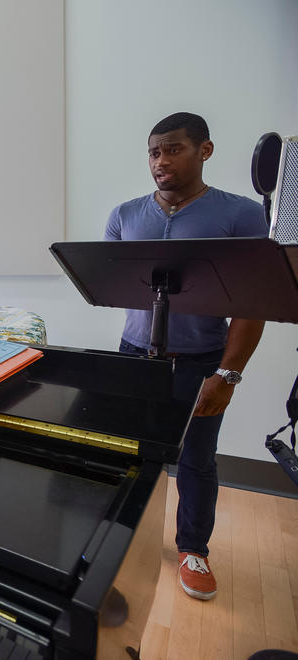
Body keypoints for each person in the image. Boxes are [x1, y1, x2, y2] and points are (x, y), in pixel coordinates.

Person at [104, 112, 267, 601]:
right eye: (154, 152)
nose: (161, 161)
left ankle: (194, 549)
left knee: (197, 459)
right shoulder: (125, 215)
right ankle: (123, 540)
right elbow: (110, 286)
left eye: (173, 149)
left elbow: (253, 303)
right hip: (135, 355)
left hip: (202, 359)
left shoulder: (240, 215)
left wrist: (228, 374)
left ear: (205, 151)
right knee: (131, 452)